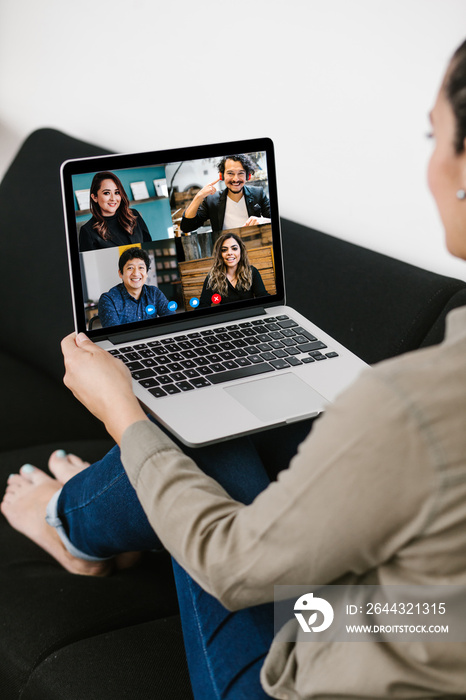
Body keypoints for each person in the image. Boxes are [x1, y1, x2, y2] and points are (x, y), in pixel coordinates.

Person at [3, 39, 466, 700]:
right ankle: (93, 522)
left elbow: (233, 565)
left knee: (197, 432)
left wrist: (124, 415)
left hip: (307, 674)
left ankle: (70, 525)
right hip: (424, 628)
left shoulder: (414, 399)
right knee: (226, 411)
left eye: (434, 134)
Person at [180, 154, 271, 233]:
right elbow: (186, 227)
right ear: (222, 175)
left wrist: (263, 221)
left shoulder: (258, 193)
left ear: (248, 176)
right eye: (230, 173)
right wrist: (199, 196)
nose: (236, 179)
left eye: (240, 173)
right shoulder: (212, 200)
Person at [98, 247, 175, 327]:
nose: (136, 273)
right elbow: (114, 333)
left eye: (141, 268)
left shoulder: (154, 293)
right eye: (130, 268)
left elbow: (172, 320)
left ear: (147, 273)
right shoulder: (108, 299)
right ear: (121, 273)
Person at [79, 171, 152, 252]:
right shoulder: (87, 231)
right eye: (107, 193)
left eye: (117, 192)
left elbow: (149, 248)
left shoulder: (134, 215)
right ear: (94, 197)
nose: (113, 198)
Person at [199, 232, 268, 307]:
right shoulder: (212, 277)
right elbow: (203, 305)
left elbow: (263, 296)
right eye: (224, 250)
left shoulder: (252, 272)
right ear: (219, 254)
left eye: (234, 248)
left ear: (241, 251)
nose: (229, 253)